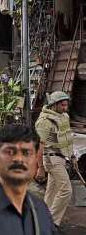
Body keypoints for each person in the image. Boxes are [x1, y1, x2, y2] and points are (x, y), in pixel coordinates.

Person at [35, 91, 74, 229]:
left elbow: (67, 139)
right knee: (66, 190)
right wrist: (40, 168)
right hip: (51, 159)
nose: (65, 108)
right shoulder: (44, 122)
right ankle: (52, 222)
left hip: (62, 157)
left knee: (51, 192)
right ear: (54, 105)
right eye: (62, 105)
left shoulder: (64, 117)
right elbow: (40, 146)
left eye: (66, 105)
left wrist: (72, 156)